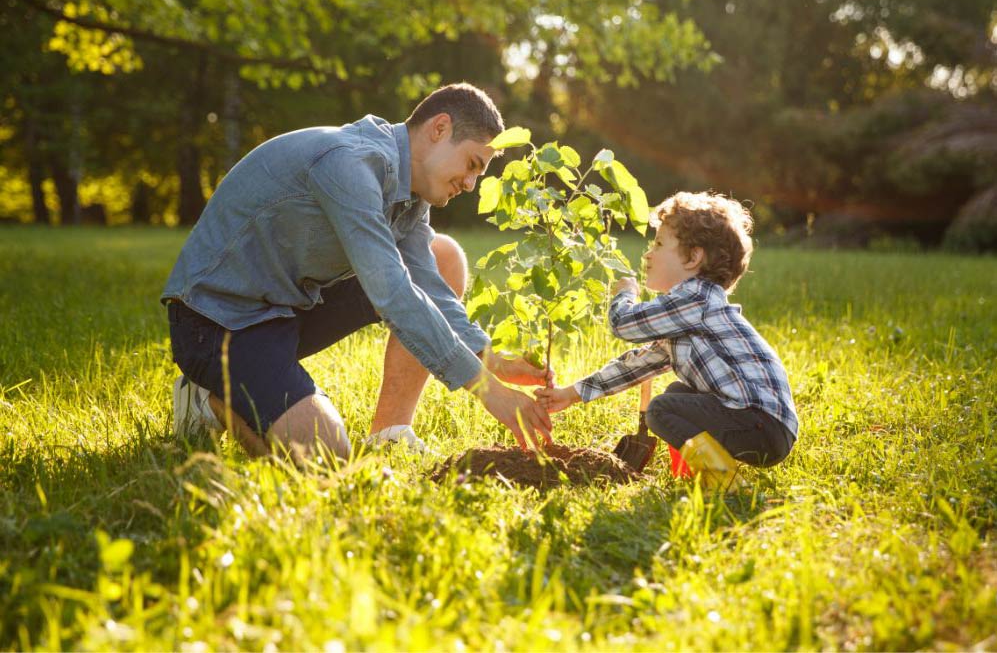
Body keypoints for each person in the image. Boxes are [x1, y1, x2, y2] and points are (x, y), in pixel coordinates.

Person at [162, 83, 553, 462]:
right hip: (218, 322)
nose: (470, 184)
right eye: (472, 165)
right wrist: (487, 390)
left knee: (442, 257)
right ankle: (206, 400)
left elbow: (428, 285)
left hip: (286, 308)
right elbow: (393, 292)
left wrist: (489, 358)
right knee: (326, 456)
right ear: (439, 128)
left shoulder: (411, 193)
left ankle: (390, 434)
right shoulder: (350, 163)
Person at [535, 191, 797, 484]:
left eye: (658, 244)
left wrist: (625, 294)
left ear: (693, 257)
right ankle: (692, 475)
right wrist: (570, 394)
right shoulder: (687, 314)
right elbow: (636, 365)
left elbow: (623, 324)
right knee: (675, 394)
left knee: (660, 410)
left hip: (759, 423)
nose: (648, 253)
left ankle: (724, 482)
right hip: (764, 426)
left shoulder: (695, 298)